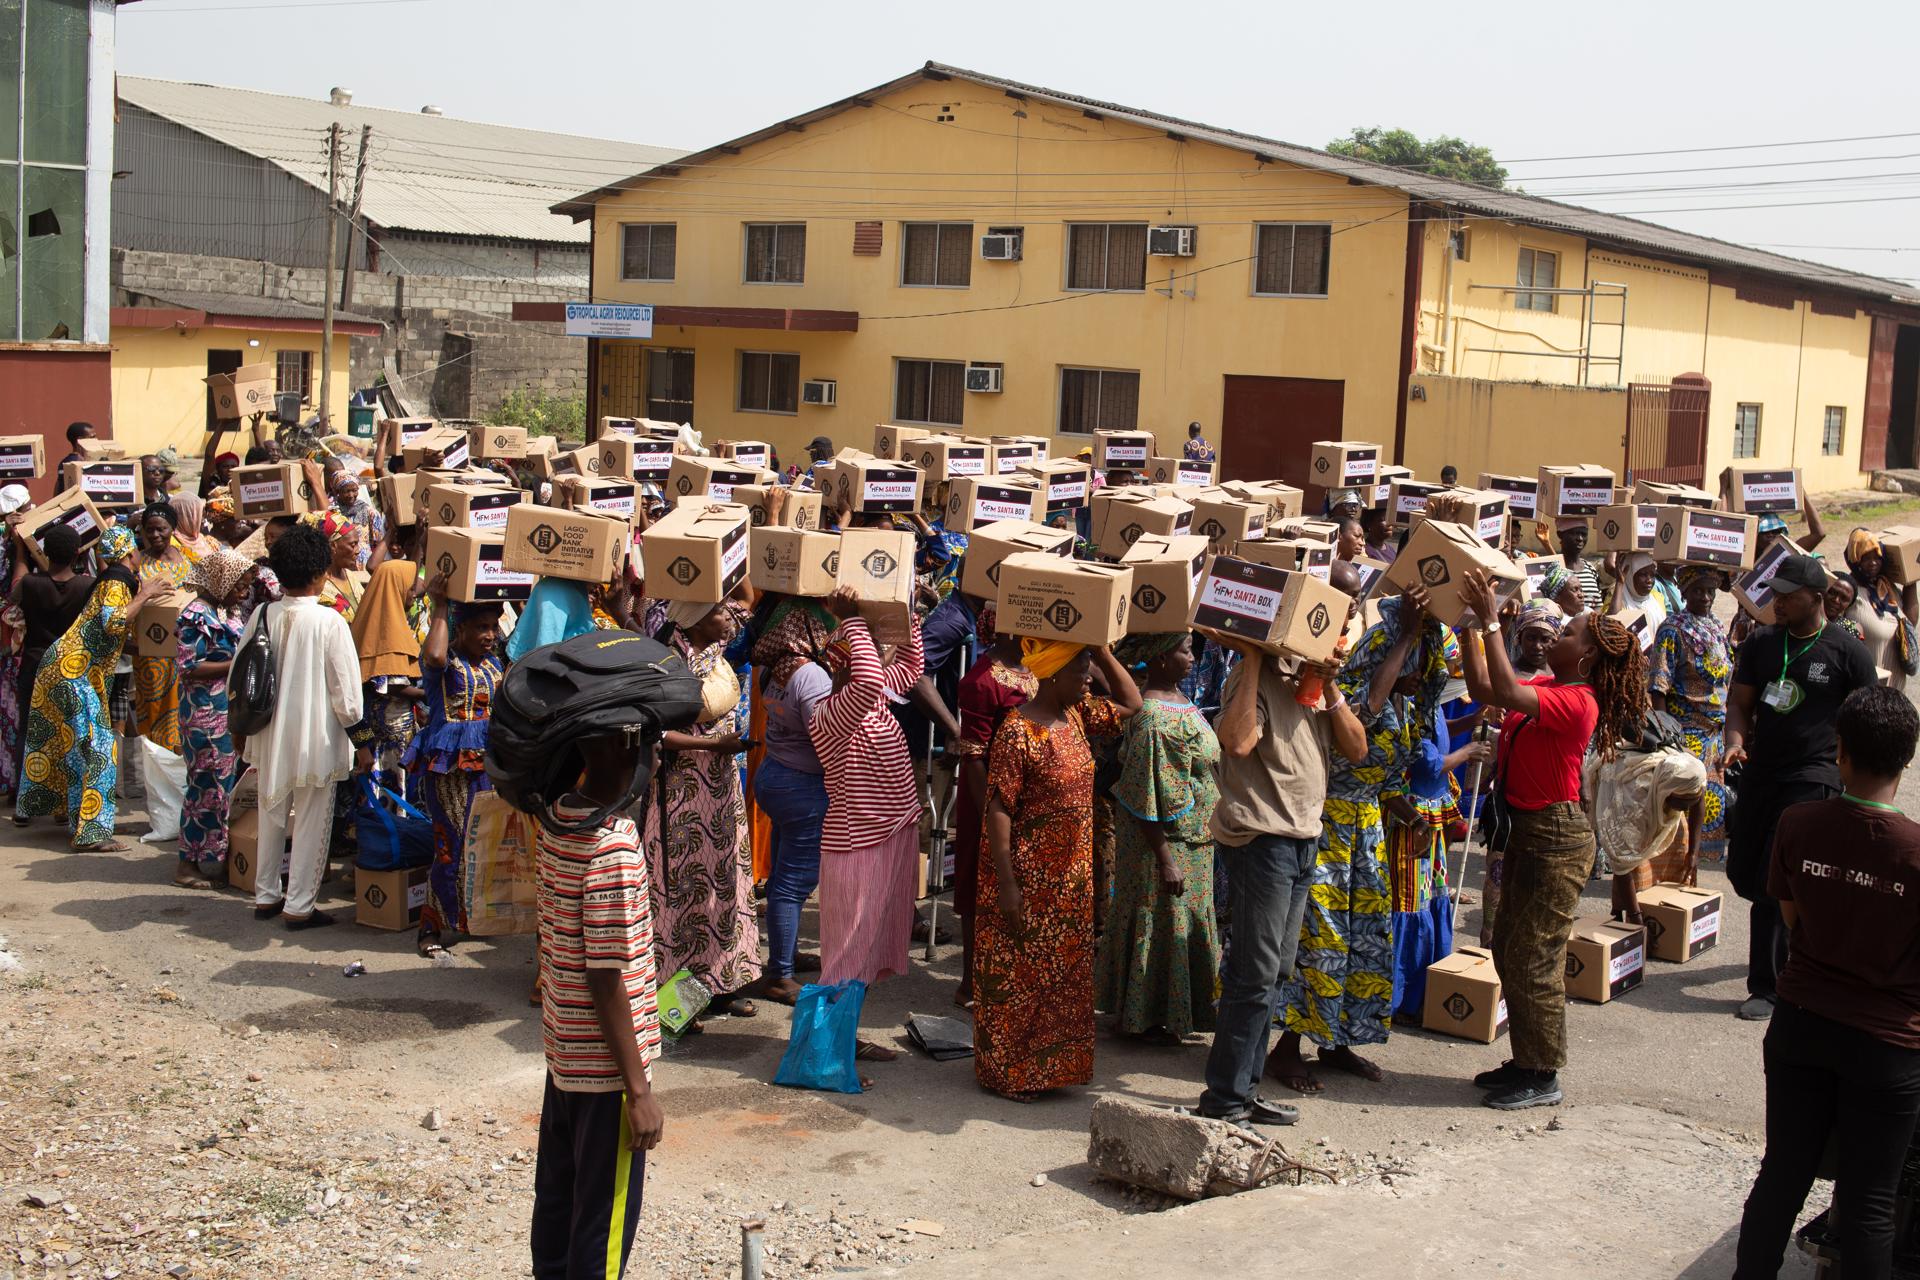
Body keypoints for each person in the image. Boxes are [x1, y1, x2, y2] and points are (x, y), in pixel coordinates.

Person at [1733, 686, 1920, 1280]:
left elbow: (1791, 920)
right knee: (1869, 1202)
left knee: (1783, 1175)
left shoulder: (1799, 822)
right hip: (1889, 1046)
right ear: (1905, 761)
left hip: (1801, 1023)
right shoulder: (1916, 853)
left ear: (1839, 752)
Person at [1459, 567, 1646, 1109]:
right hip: (1528, 832)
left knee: (1535, 957)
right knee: (1508, 951)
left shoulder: (1580, 701)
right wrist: (1474, 627)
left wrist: (1493, 621)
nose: (1558, 635)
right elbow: (1483, 688)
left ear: (1586, 657)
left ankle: (1542, 1075)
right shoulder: (1552, 686)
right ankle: (1525, 1059)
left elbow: (1509, 688)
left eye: (1568, 633)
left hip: (1556, 840)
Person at [1269, 588, 1449, 1092]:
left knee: (1362, 942)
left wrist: (1412, 818)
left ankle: (1337, 1041)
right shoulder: (1343, 700)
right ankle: (1287, 1049)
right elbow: (1363, 717)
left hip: (1365, 834)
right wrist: (1405, 634)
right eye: (1412, 662)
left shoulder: (1405, 709)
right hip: (1326, 830)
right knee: (1318, 942)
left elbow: (1388, 781)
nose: (1419, 673)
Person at [1195, 627, 1366, 1128]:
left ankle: (1244, 1093)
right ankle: (1226, 1100)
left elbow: (1356, 749)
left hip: (1303, 838)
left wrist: (1331, 686)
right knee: (1253, 975)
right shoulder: (1253, 678)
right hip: (1261, 838)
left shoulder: (1311, 680)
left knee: (1277, 972)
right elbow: (1237, 741)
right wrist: (1251, 658)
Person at [974, 639, 1141, 1101]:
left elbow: (1131, 702)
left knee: (1060, 977)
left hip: (1070, 879)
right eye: (1081, 671)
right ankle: (1011, 1074)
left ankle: (1051, 1068)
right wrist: (1007, 884)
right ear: (1051, 675)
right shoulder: (1017, 731)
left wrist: (1103, 650)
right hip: (1027, 877)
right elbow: (999, 809)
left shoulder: (1076, 717)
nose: (1089, 680)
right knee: (1020, 977)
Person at [530, 726, 665, 1280]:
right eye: (652, 745)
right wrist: (639, 1092)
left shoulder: (556, 816)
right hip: (607, 1074)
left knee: (559, 1205)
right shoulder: (613, 845)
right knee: (603, 1229)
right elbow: (605, 979)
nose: (658, 757)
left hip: (564, 1058)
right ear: (624, 748)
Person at [1726, 553, 1879, 1022]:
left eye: (1788, 596)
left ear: (1816, 599)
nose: (1777, 603)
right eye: (1775, 594)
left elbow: (1868, 719)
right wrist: (1734, 740)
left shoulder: (1847, 652)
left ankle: (1768, 986)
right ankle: (1800, 956)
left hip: (1815, 776)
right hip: (1762, 774)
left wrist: (1860, 781)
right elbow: (1741, 703)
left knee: (1779, 871)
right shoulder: (1762, 643)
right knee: (1748, 871)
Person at [808, 588, 925, 1076]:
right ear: (845, 668)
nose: (877, 660)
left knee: (869, 948)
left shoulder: (872, 702)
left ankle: (842, 1041)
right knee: (846, 955)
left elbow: (912, 669)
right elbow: (874, 675)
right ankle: (819, 1062)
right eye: (865, 656)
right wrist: (852, 618)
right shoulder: (831, 715)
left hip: (892, 837)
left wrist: (904, 612)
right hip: (857, 845)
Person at [1097, 632, 1222, 1044]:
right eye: (1185, 651)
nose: (1193, 657)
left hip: (1195, 842)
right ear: (1161, 658)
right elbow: (1146, 793)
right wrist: (1166, 858)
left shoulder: (1180, 702)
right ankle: (1145, 1018)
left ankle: (1171, 1014)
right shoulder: (1153, 717)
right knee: (1161, 925)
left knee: (1180, 927)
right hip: (1166, 847)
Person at [238, 523, 364, 929]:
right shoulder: (330, 623)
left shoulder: (261, 613)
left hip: (269, 732)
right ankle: (300, 905)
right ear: (320, 573)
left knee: (270, 809)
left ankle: (266, 895)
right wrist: (363, 742)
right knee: (312, 819)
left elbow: (239, 677)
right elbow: (347, 698)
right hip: (315, 737)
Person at [14, 527, 170, 849]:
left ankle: (80, 819)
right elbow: (113, 623)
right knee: (99, 749)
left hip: (62, 669)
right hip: (72, 673)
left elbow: (109, 637)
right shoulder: (116, 583)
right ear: (129, 555)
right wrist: (146, 594)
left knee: (76, 748)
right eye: (136, 550)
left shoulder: (111, 581)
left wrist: (156, 646)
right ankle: (92, 834)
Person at [643, 599, 759, 1022]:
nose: (727, 618)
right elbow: (654, 729)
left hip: (718, 791)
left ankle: (719, 984)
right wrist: (714, 745)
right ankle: (676, 1004)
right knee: (683, 895)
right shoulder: (667, 662)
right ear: (692, 621)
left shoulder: (718, 656)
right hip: (680, 794)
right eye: (717, 612)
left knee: (722, 888)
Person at [405, 578, 503, 958]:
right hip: (449, 767)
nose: (490, 635)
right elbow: (432, 657)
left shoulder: (493, 664)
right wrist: (441, 605)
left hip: (488, 764)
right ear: (460, 630)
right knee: (453, 844)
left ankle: (470, 917)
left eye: (493, 627)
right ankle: (430, 925)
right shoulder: (444, 665)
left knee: (484, 843)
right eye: (482, 627)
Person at [746, 595, 837, 1004]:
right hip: (802, 786)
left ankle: (785, 955)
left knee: (784, 874)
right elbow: (827, 739)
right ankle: (779, 974)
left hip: (775, 775)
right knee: (793, 884)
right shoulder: (812, 676)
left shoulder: (773, 669)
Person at [948, 608, 1034, 1007]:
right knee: (982, 879)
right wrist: (993, 815)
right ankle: (971, 981)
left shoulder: (1036, 666)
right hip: (988, 793)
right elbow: (973, 755)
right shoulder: (982, 680)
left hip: (1028, 790)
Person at [1387, 711, 1489, 1022]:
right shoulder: (1407, 705)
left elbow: (1439, 731)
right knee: (1411, 903)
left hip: (1430, 819)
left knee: (1432, 898)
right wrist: (1467, 752)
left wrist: (1470, 720)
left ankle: (1425, 991)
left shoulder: (1431, 701)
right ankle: (1403, 998)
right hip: (1411, 823)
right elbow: (1429, 762)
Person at [172, 547, 256, 889]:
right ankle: (187, 864)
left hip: (227, 710)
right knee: (205, 786)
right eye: (239, 584)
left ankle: (216, 856)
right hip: (205, 713)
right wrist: (238, 662)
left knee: (224, 787)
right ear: (222, 579)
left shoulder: (226, 610)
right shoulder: (195, 615)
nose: (244, 591)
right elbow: (189, 667)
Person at [1645, 565, 1734, 864]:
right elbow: (1659, 684)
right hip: (1685, 731)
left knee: (1709, 801)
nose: (1705, 597)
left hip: (1714, 733)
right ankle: (1673, 866)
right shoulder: (1672, 629)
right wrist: (1665, 735)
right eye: (1698, 590)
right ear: (1684, 592)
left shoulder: (1717, 627)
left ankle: (1698, 862)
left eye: (1710, 591)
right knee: (1682, 800)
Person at [130, 500, 198, 842]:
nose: (155, 535)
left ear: (174, 530)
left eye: (162, 529)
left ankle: (186, 804)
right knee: (155, 728)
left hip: (183, 659)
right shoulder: (135, 564)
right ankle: (163, 810)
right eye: (149, 530)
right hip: (150, 662)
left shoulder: (188, 561)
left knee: (183, 724)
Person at [9, 524, 94, 792]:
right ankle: (63, 801)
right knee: (68, 731)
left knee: (28, 729)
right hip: (72, 668)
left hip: (35, 665)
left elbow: (16, 586)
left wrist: (22, 550)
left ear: (44, 551)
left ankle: (24, 803)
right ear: (76, 554)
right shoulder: (87, 585)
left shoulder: (31, 585)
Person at [348, 558, 424, 785]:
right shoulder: (386, 630)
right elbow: (389, 683)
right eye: (409, 589)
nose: (413, 594)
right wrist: (426, 694)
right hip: (391, 730)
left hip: (379, 725)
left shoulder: (391, 620)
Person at [1842, 528, 1918, 691]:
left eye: (1877, 557)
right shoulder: (1847, 593)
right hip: (1866, 692)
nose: (1874, 563)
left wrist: (1910, 578)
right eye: (1866, 558)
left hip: (1896, 691)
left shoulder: (1886, 587)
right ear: (1854, 559)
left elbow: (1910, 624)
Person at [313, 511, 366, 621]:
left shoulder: (351, 576)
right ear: (333, 546)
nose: (358, 550)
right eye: (353, 545)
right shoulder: (319, 586)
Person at [1608, 552, 1666, 649]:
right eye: (1643, 574)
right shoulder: (1617, 599)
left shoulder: (1657, 597)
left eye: (1652, 575)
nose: (1649, 580)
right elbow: (1611, 624)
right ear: (1630, 575)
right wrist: (1620, 583)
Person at [1555, 519, 1603, 613]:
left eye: (1584, 534)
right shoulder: (1554, 570)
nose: (1580, 538)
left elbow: (1598, 606)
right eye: (1574, 533)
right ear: (1560, 534)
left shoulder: (1591, 569)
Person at [52, 421, 94, 492]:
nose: (96, 440)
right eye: (92, 437)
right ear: (80, 440)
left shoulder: (66, 461)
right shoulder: (73, 462)